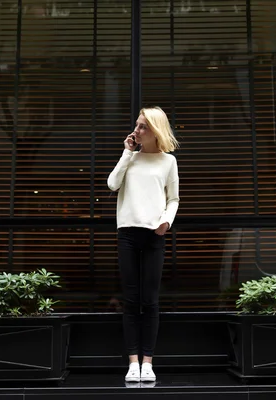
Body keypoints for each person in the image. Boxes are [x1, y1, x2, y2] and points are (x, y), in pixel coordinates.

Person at [107, 106, 180, 383]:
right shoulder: (130, 158)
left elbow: (173, 199)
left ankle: (148, 362)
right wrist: (127, 153)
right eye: (137, 126)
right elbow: (113, 184)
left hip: (154, 235)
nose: (136, 131)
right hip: (127, 233)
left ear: (154, 130)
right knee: (131, 301)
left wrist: (166, 222)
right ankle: (133, 362)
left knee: (149, 301)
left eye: (142, 126)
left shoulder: (168, 162)